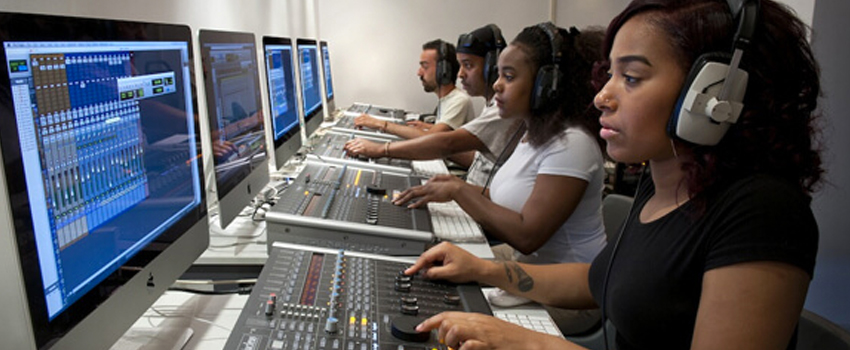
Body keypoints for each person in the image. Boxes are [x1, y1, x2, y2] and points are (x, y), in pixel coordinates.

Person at [405, 0, 823, 349]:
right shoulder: (664, 182)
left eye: (632, 78)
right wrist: (484, 269)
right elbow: (597, 279)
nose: (602, 97)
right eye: (609, 75)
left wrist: (532, 343)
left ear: (713, 94)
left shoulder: (761, 213)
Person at [396, 22, 607, 333]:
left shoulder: (571, 144)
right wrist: (454, 187)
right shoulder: (532, 133)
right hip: (529, 264)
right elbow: (501, 199)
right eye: (499, 75)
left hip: (569, 295)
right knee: (431, 266)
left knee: (449, 311)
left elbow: (527, 235)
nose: (496, 85)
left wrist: (459, 191)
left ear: (545, 85)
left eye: (509, 76)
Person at [344, 24, 523, 186]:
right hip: (472, 190)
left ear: (491, 69)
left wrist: (382, 147)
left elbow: (446, 143)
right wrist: (428, 143)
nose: (460, 74)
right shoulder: (491, 106)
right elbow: (474, 158)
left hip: (478, 198)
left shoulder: (501, 111)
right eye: (460, 66)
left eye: (468, 65)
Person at [352, 40, 474, 139]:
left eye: (425, 66)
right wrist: (427, 127)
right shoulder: (447, 100)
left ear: (443, 71)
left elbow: (432, 139)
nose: (419, 73)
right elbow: (445, 133)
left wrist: (381, 124)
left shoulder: (459, 100)